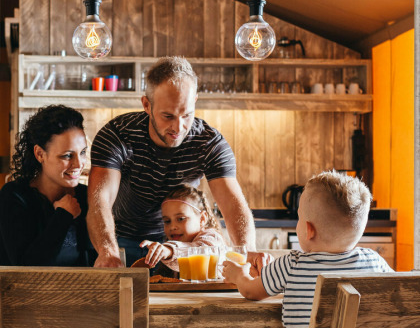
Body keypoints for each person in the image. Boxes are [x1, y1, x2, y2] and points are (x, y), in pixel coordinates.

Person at [87, 56, 269, 270]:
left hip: (182, 244)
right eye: (168, 116)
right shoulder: (117, 135)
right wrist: (108, 252)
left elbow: (232, 203)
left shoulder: (210, 143)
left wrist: (245, 253)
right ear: (146, 104)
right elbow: (99, 200)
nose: (179, 127)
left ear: (195, 102)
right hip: (120, 239)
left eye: (187, 115)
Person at [222, 170, 394, 328]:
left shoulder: (292, 264)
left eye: (299, 217)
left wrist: (238, 275)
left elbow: (251, 291)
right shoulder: (375, 263)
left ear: (308, 230)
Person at [0, 104, 90, 267]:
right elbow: (25, 267)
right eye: (68, 155)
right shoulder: (14, 196)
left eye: (83, 152)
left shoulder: (86, 196)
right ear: (40, 154)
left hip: (80, 293)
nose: (79, 164)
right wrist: (63, 216)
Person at [139, 184, 226, 271]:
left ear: (202, 219)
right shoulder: (171, 245)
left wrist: (170, 251)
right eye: (167, 221)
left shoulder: (213, 239)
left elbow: (202, 253)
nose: (172, 227)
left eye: (181, 219)